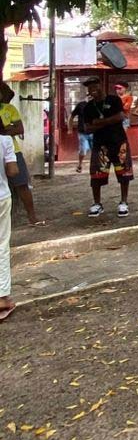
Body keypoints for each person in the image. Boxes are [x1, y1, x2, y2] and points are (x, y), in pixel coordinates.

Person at [82, 77, 134, 218]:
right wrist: (108, 122)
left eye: (94, 86)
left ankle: (124, 202)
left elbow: (120, 116)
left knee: (124, 172)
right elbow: (87, 128)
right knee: (96, 174)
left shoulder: (114, 100)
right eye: (89, 87)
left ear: (101, 86)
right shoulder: (88, 107)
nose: (92, 89)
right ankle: (97, 203)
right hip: (100, 144)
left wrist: (99, 122)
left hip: (119, 142)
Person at [0, 81, 43, 226]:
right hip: (7, 146)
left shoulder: (9, 109)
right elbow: (12, 129)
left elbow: (19, 129)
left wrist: (4, 131)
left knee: (22, 183)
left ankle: (32, 216)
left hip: (13, 150)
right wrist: (8, 128)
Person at [0, 134, 18, 321]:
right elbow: (13, 171)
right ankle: (2, 298)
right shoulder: (5, 141)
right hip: (1, 197)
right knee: (1, 245)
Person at [69, 99, 92, 174]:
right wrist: (70, 129)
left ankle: (95, 165)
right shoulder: (81, 105)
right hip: (82, 132)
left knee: (96, 150)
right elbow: (72, 116)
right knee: (83, 150)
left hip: (93, 131)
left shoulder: (97, 104)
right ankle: (80, 164)